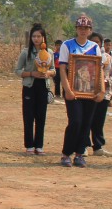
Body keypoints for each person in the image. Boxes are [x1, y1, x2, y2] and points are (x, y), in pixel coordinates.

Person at [59, 15, 104, 168]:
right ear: (76, 29)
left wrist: (101, 90)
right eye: (80, 28)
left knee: (86, 122)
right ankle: (66, 153)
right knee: (75, 121)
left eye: (86, 28)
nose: (83, 31)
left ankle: (80, 153)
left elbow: (99, 69)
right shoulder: (67, 45)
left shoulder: (94, 47)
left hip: (90, 90)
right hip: (73, 89)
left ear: (90, 30)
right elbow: (62, 69)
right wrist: (67, 89)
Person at [15, 24, 55, 155]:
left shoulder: (49, 53)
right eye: (34, 36)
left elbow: (54, 70)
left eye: (38, 36)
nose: (36, 39)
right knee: (28, 116)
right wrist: (32, 73)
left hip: (43, 86)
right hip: (29, 87)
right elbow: (18, 70)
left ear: (43, 37)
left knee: (41, 116)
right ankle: (29, 145)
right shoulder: (25, 52)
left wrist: (48, 73)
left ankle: (39, 145)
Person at [88, 32, 112, 157]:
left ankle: (98, 146)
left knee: (99, 121)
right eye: (93, 41)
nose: (95, 44)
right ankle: (84, 145)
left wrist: (107, 82)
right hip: (87, 93)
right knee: (86, 120)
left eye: (97, 42)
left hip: (104, 94)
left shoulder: (107, 58)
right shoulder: (83, 56)